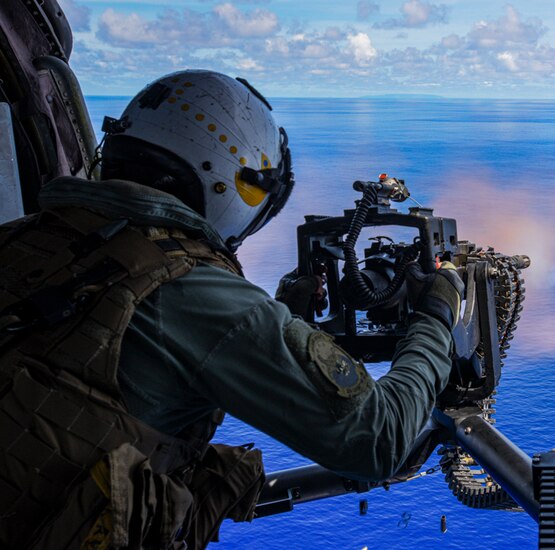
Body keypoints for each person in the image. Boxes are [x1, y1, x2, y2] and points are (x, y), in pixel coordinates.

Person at [0, 70, 463, 549]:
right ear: (226, 180)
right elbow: (379, 439)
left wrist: (283, 317)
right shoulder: (187, 287)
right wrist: (436, 316)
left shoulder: (23, 240)